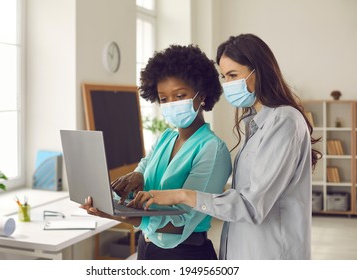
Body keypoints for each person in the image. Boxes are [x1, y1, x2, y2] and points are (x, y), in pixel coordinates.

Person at [128, 33, 322, 260]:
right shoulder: (255, 123)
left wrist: (181, 195)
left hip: (272, 253)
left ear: (258, 71)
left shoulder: (284, 121)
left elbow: (251, 206)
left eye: (233, 75)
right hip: (243, 251)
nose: (228, 85)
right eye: (224, 77)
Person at [81, 44, 232, 260]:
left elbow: (179, 227)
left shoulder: (213, 150)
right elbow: (142, 173)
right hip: (147, 248)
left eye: (180, 95)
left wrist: (118, 215)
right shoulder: (165, 139)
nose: (171, 104)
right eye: (163, 99)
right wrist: (125, 187)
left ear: (203, 95)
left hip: (185, 254)